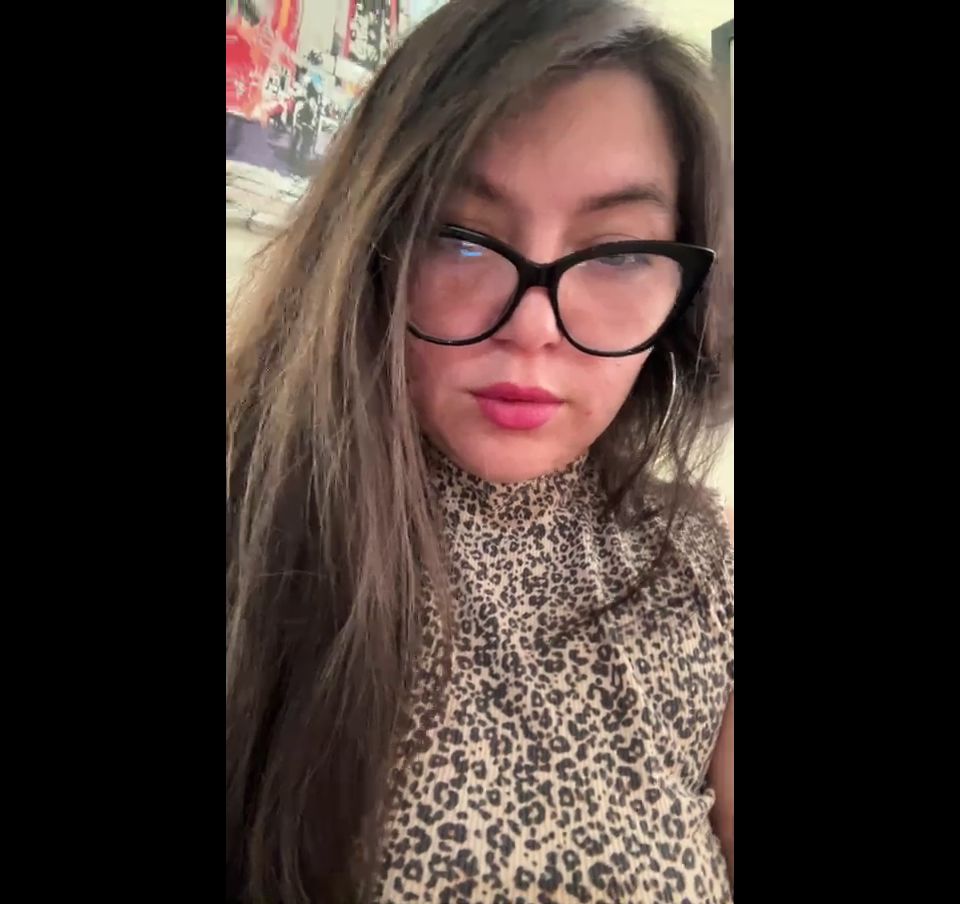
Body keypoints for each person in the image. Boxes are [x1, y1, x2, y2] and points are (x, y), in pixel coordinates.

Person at [226, 1, 734, 901]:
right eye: (461, 237)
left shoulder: (703, 564)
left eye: (619, 252)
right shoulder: (252, 522)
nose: (533, 328)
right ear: (368, 246)